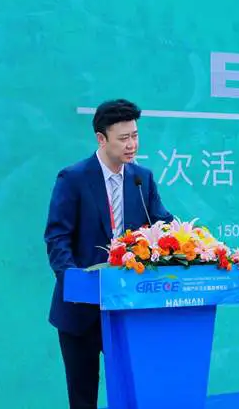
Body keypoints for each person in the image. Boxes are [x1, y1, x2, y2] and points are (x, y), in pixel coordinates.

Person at [44, 99, 174, 409]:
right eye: (123, 138)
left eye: (135, 136)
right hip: (81, 311)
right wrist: (74, 281)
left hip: (128, 307)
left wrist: (191, 243)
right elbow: (57, 237)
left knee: (135, 393)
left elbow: (163, 225)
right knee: (83, 397)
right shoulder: (73, 179)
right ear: (101, 139)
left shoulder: (142, 179)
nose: (132, 145)